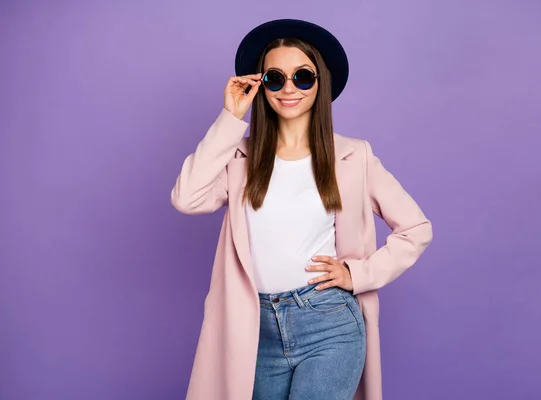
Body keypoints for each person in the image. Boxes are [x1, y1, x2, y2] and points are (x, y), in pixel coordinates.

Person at [171, 18, 433, 400]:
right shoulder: (239, 158)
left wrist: (357, 274)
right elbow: (186, 197)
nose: (288, 88)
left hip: (327, 323)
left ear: (320, 82)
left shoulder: (352, 156)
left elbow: (416, 228)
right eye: (275, 78)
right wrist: (231, 118)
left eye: (303, 77)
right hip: (254, 329)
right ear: (261, 85)